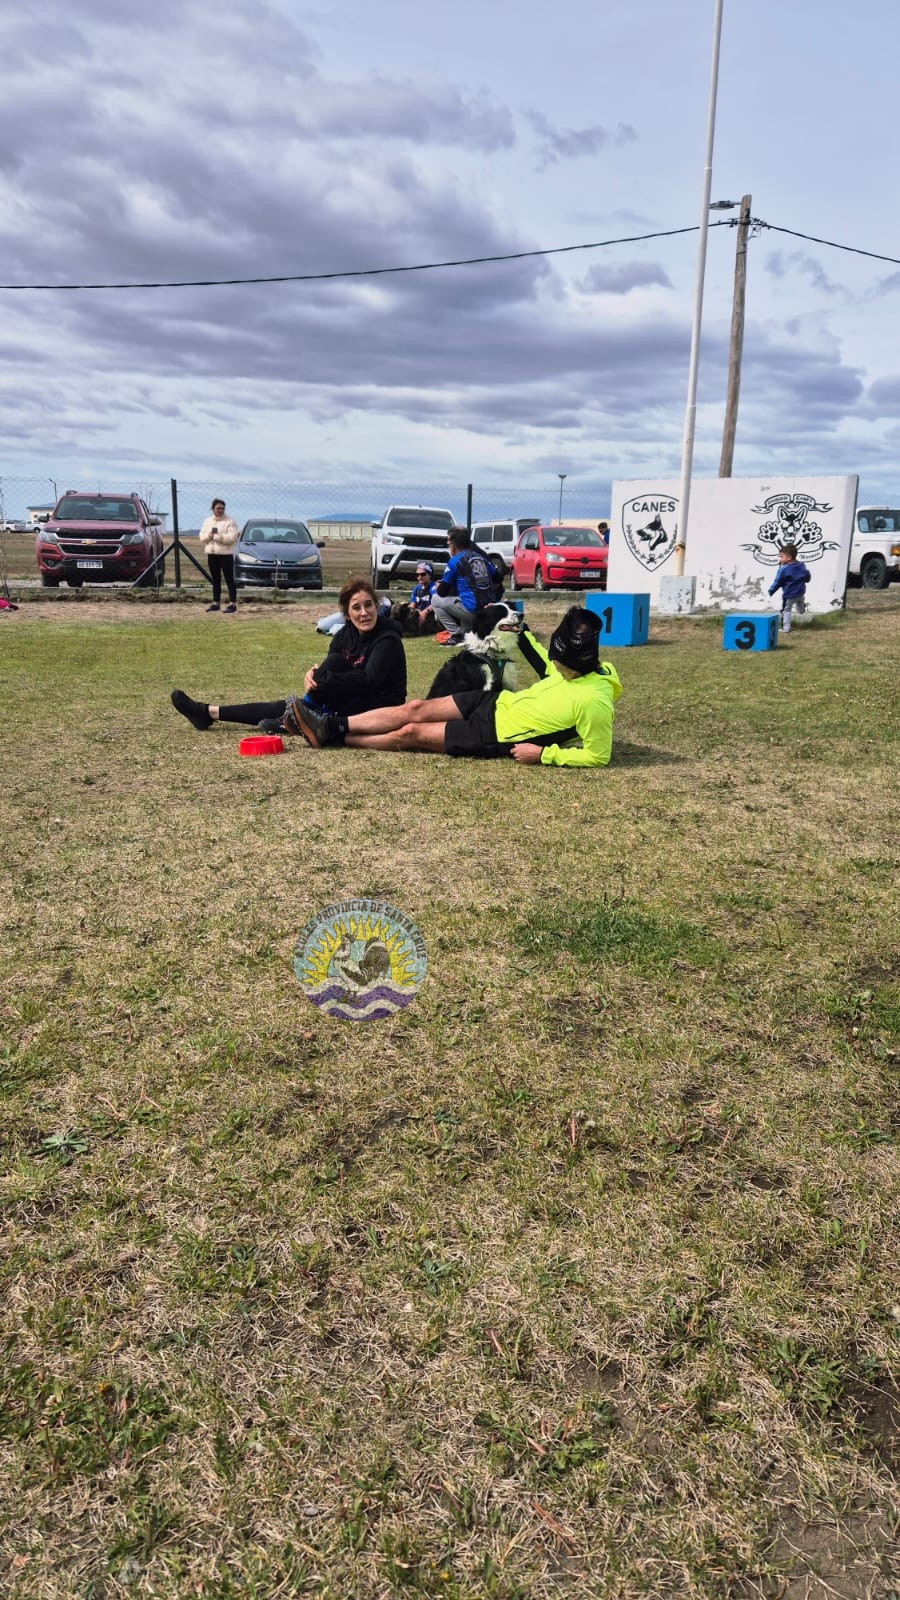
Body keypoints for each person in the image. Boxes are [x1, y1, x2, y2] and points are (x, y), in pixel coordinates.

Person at [278, 606, 622, 768]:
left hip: (495, 735)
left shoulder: (595, 702)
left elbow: (598, 755)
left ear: (575, 662)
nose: (554, 665)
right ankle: (331, 723)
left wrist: (544, 754)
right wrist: (521, 628)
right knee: (415, 708)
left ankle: (334, 737)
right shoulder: (569, 671)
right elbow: (541, 656)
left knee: (411, 733)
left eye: (559, 661)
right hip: (494, 701)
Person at [170, 575, 407, 733]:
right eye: (357, 607)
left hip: (378, 709)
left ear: (377, 606)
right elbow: (333, 669)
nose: (364, 613)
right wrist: (314, 677)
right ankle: (208, 712)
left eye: (369, 605)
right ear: (347, 613)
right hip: (348, 700)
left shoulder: (388, 638)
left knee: (301, 704)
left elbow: (368, 681)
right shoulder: (345, 634)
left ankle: (295, 720)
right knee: (298, 699)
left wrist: (326, 680)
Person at [431, 527, 502, 644]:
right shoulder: (480, 557)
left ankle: (456, 634)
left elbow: (442, 592)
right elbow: (498, 578)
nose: (448, 546)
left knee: (435, 599)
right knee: (464, 599)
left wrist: (438, 586)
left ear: (453, 545)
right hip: (489, 609)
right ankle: (468, 634)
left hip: (473, 611)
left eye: (449, 543)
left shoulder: (455, 561)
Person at [198, 497, 241, 613]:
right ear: (213, 509)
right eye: (218, 508)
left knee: (229, 579)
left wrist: (217, 537)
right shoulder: (207, 521)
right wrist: (209, 536)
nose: (220, 510)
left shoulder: (230, 521)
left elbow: (232, 538)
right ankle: (216, 603)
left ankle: (232, 604)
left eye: (222, 508)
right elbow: (202, 536)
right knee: (215, 579)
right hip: (212, 554)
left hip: (225, 555)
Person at [768, 543, 811, 632]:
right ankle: (802, 609)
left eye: (781, 557)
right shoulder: (801, 565)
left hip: (789, 596)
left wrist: (771, 591)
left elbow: (777, 582)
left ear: (789, 557)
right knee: (800, 606)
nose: (780, 559)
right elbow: (806, 575)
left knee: (786, 611)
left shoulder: (784, 569)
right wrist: (807, 579)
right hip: (801, 593)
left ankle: (786, 628)